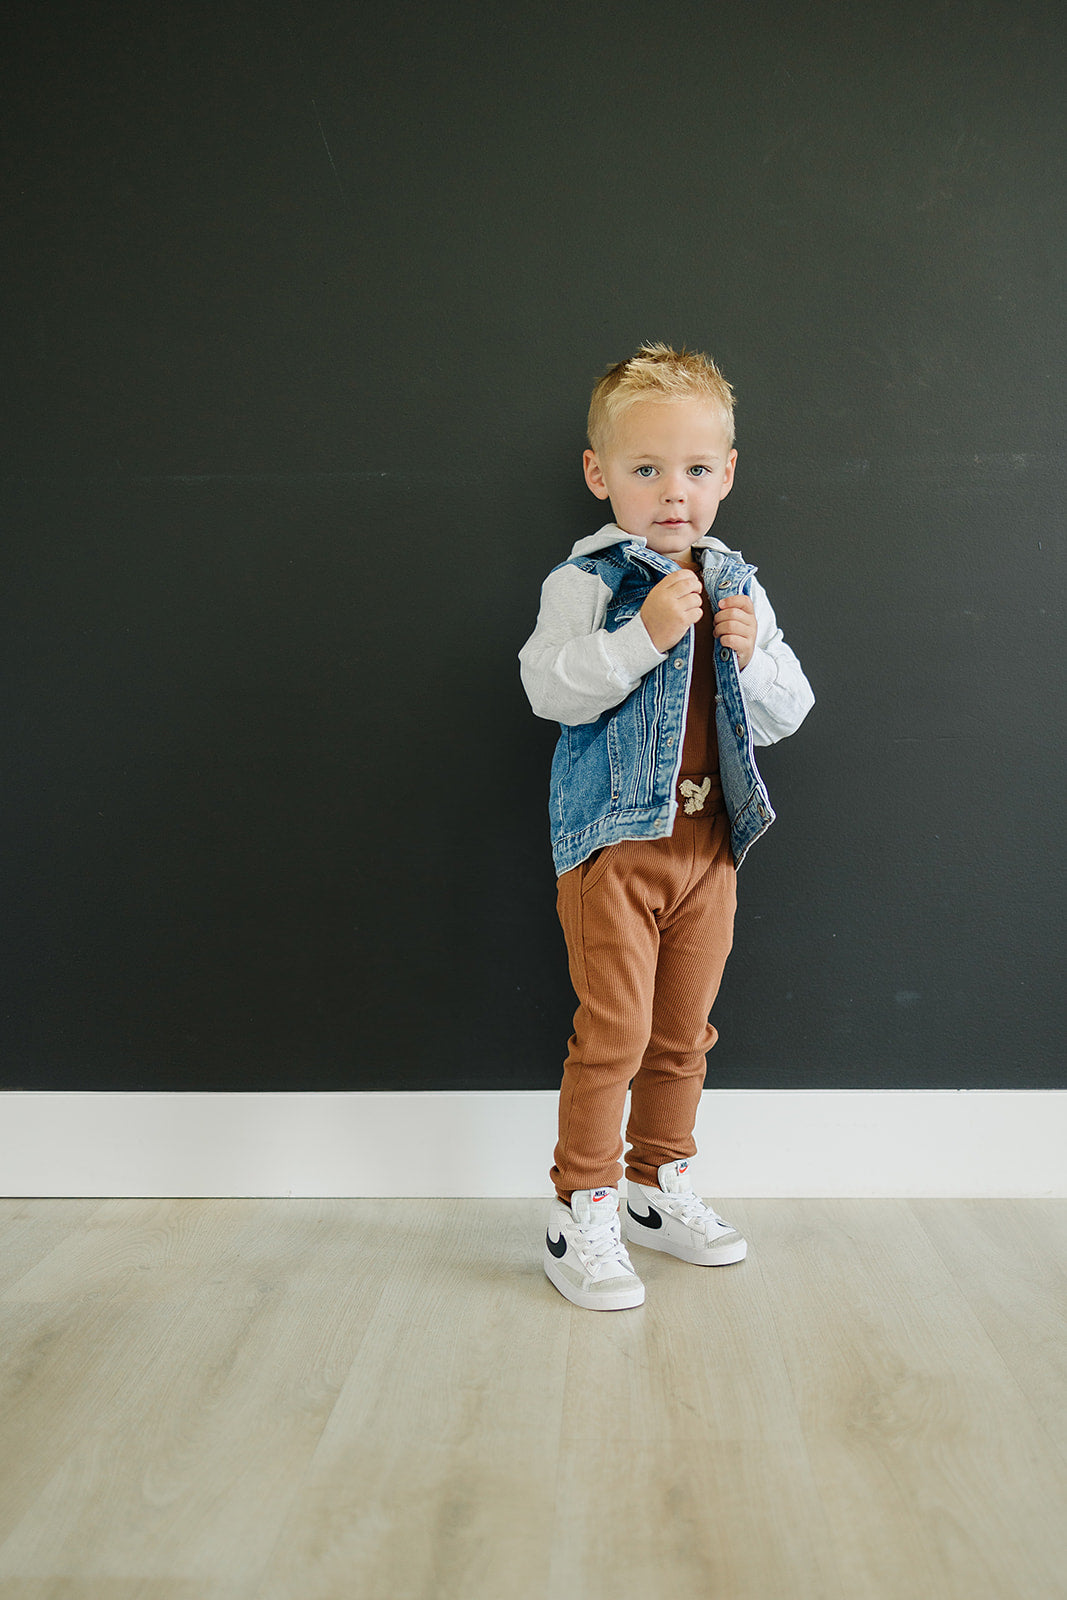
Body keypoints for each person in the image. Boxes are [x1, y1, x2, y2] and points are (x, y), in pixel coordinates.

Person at [519, 342, 814, 1311]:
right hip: (615, 847)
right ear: (600, 475)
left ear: (726, 474)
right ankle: (581, 1203)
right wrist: (640, 637)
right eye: (644, 470)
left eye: (693, 470)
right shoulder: (588, 583)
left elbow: (786, 709)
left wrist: (749, 655)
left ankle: (656, 1181)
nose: (671, 493)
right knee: (615, 1030)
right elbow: (545, 688)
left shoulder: (737, 584)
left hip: (708, 849)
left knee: (683, 1033)